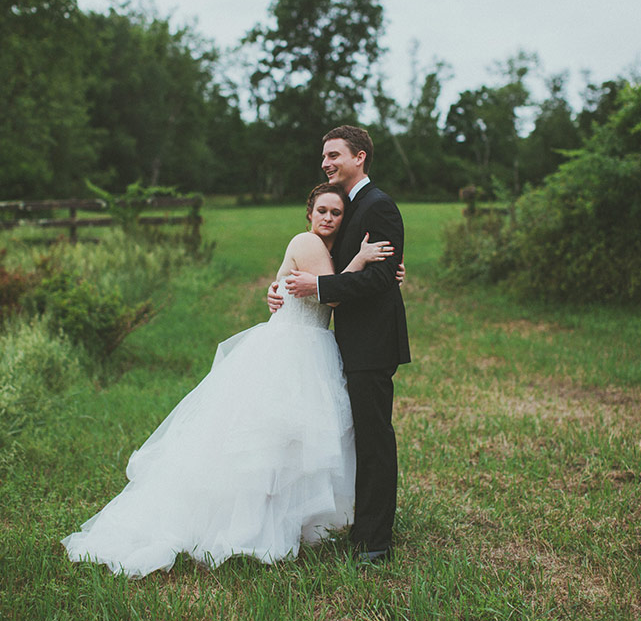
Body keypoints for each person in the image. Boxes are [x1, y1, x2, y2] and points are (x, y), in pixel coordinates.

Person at [62, 183, 393, 579]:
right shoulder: (308, 242)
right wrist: (361, 260)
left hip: (306, 345)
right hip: (292, 349)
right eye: (321, 210)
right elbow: (333, 296)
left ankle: (284, 520)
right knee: (269, 443)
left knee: (288, 446)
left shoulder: (327, 251)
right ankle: (247, 527)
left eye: (336, 213)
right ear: (309, 213)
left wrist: (377, 272)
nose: (328, 218)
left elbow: (323, 283)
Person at [268, 125, 410, 564]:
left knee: (373, 439)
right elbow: (327, 262)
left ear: (359, 157)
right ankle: (357, 526)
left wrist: (321, 285)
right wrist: (281, 286)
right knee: (356, 436)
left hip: (372, 342)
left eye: (334, 155)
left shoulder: (377, 204)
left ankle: (374, 541)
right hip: (344, 341)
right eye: (324, 156)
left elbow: (381, 276)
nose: (326, 163)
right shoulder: (349, 206)